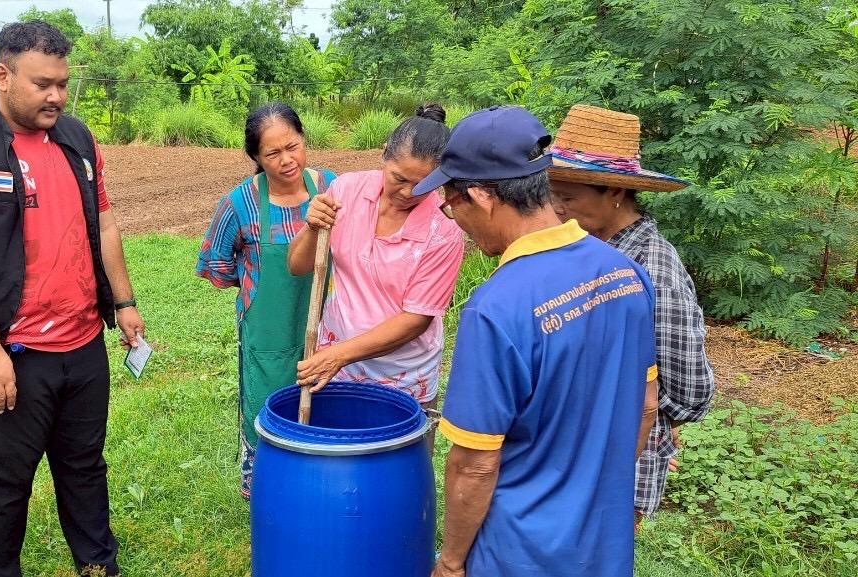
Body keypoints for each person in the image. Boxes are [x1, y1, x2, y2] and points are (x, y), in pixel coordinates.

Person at [0, 21, 144, 577]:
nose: (57, 96)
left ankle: (97, 566)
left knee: (84, 464)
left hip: (83, 341)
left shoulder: (78, 139)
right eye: (43, 84)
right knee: (6, 479)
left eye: (63, 83)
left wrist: (124, 302)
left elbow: (104, 224)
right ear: (3, 75)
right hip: (10, 351)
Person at [418, 106, 659, 577]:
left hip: (518, 552)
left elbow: (474, 465)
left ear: (481, 196)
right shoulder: (627, 274)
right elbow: (647, 404)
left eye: (452, 205)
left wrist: (450, 562)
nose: (456, 221)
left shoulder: (495, 308)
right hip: (602, 543)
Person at [547, 104, 715, 523]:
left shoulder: (651, 267)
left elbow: (691, 388)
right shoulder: (585, 248)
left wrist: (653, 418)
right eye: (552, 194)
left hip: (621, 459)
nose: (556, 208)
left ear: (615, 192)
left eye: (568, 198)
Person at [196, 102, 337, 499]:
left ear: (304, 139)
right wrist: (253, 280)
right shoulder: (239, 203)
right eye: (273, 153)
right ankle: (266, 486)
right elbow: (217, 267)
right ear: (256, 157)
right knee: (267, 401)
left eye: (293, 146)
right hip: (267, 329)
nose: (287, 160)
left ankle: (318, 481)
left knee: (325, 397)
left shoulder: (330, 188)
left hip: (328, 322)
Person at [289, 104, 465, 411]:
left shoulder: (443, 230)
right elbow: (297, 265)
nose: (408, 193)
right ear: (384, 154)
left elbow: (416, 320)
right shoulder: (346, 191)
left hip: (402, 375)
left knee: (397, 442)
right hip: (338, 365)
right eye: (399, 178)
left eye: (423, 185)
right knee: (335, 438)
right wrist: (312, 226)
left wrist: (339, 354)